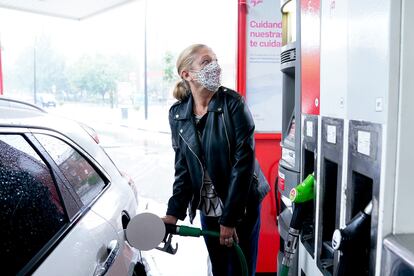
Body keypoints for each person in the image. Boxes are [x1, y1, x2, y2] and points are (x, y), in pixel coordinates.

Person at [162, 44, 270, 276]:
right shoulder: (178, 115)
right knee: (220, 268)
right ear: (186, 74)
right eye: (206, 62)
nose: (215, 67)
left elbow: (243, 164)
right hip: (209, 206)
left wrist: (230, 219)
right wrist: (174, 211)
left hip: (241, 203)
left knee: (242, 269)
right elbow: (183, 168)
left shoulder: (233, 104)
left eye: (215, 61)